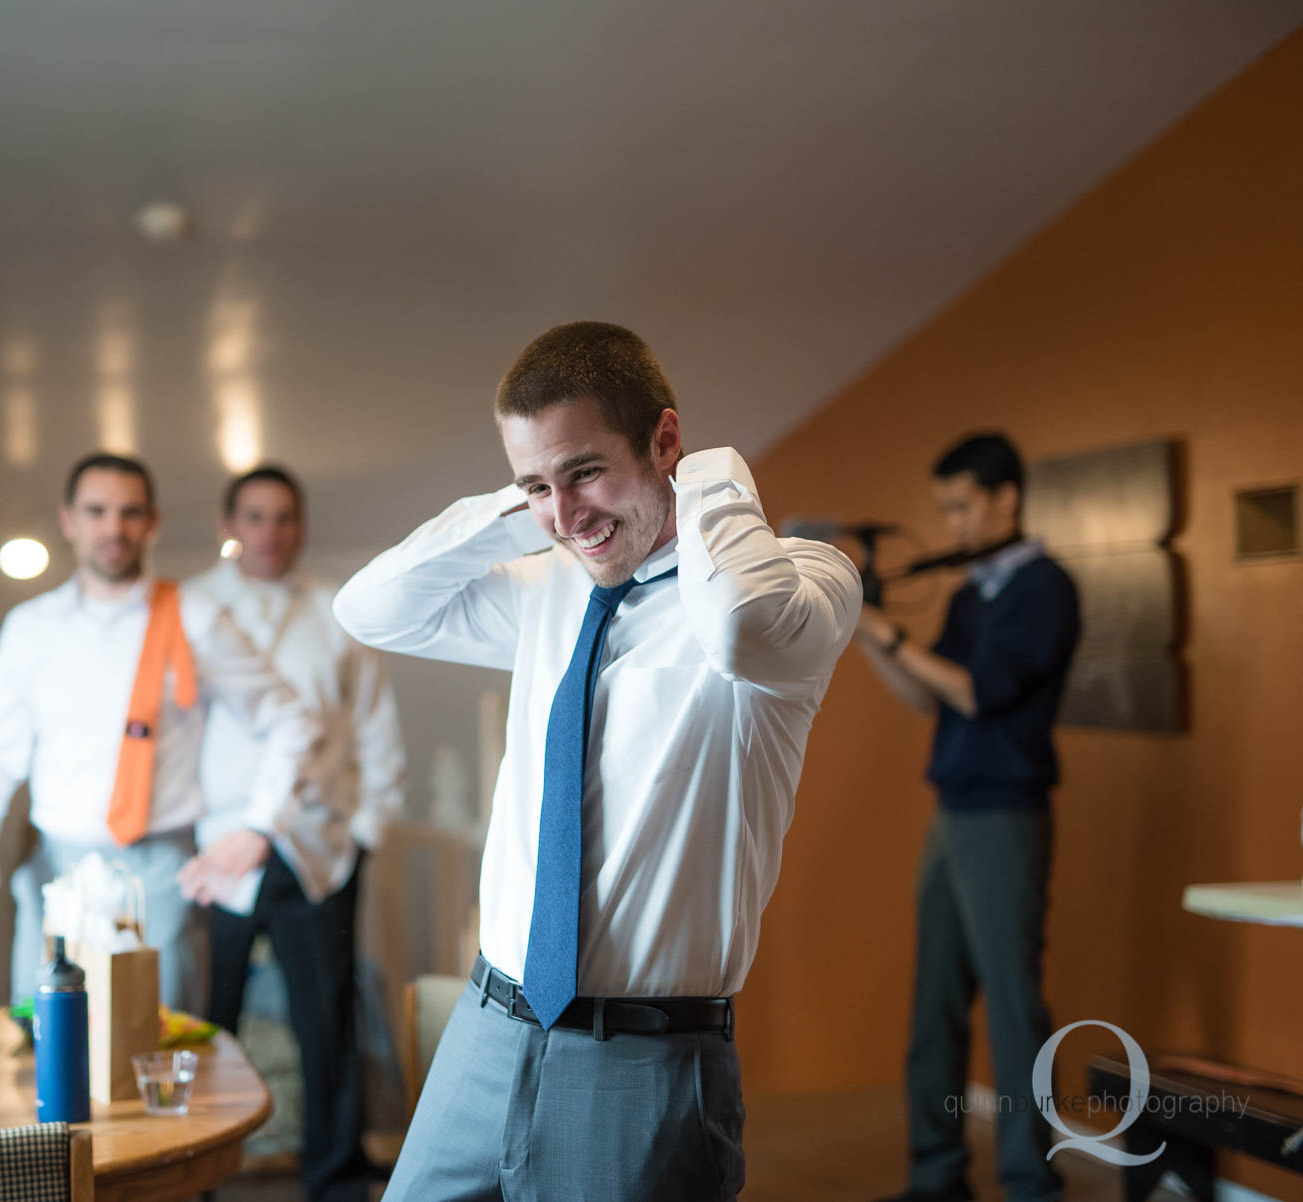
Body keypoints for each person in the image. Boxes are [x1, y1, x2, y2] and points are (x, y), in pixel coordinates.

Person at [334, 321, 861, 1201]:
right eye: (537, 481)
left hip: (643, 1061)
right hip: (487, 1027)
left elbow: (742, 628)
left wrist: (708, 471)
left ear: (663, 439)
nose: (568, 513)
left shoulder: (805, 581)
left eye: (586, 470)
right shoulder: (553, 586)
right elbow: (371, 609)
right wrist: (532, 505)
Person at [0, 452, 321, 1014]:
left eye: (129, 512)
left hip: (160, 876)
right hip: (54, 872)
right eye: (96, 511)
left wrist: (259, 827)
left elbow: (291, 719)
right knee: (46, 1052)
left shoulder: (196, 617)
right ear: (69, 520)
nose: (112, 528)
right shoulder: (31, 629)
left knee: (160, 1053)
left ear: (153, 522)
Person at [857, 433, 1080, 1202]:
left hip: (1006, 817)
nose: (951, 524)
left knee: (1014, 1007)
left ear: (1005, 498)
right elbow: (926, 694)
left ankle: (1028, 1182)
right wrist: (862, 627)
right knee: (935, 1006)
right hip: (952, 813)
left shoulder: (1046, 588)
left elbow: (978, 691)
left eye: (961, 505)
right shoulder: (969, 593)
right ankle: (937, 1176)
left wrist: (888, 632)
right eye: (944, 508)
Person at [183, 465, 405, 1202]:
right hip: (219, 842)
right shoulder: (191, 608)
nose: (269, 532)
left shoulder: (337, 613)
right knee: (205, 1017)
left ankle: (335, 1176)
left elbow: (376, 728)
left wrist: (366, 830)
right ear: (228, 526)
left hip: (321, 845)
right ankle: (195, 1175)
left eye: (283, 518)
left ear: (300, 527)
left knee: (327, 1015)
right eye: (254, 517)